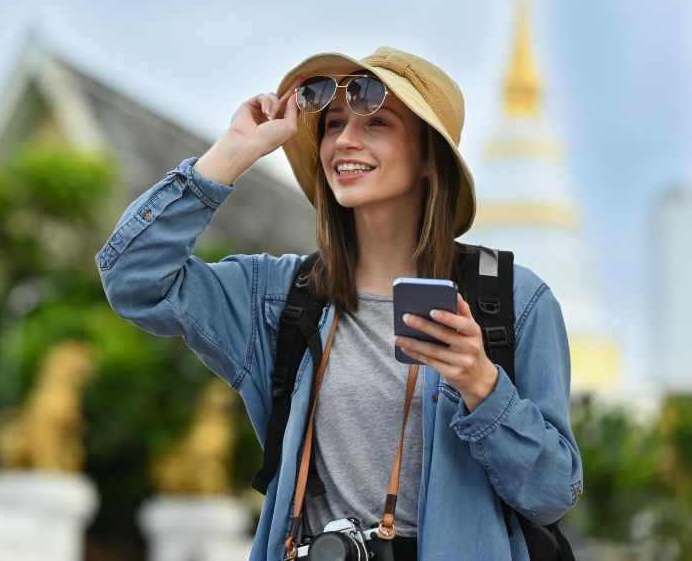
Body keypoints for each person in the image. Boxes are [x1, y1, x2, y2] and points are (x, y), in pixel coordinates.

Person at [96, 46, 583, 561]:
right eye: (332, 124)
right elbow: (133, 279)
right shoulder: (278, 296)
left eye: (377, 124)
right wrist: (232, 152)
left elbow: (553, 493)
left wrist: (482, 386)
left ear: (427, 156)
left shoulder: (513, 303)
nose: (345, 140)